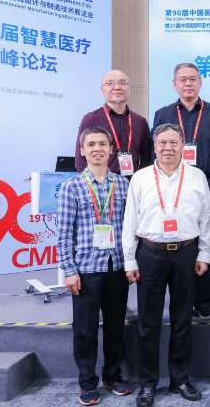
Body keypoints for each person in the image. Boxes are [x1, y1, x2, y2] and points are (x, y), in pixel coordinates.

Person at [122, 124, 210, 407]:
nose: (168, 148)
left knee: (182, 319)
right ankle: (148, 384)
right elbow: (129, 221)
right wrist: (130, 259)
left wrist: (204, 254)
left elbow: (206, 219)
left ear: (183, 145)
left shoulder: (197, 176)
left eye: (174, 142)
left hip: (186, 253)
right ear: (154, 146)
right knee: (148, 322)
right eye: (162, 143)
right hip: (149, 253)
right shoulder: (140, 177)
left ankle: (180, 379)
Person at [152, 62, 210, 322]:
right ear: (174, 84)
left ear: (200, 83)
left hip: (204, 184)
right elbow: (156, 151)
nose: (188, 84)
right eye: (183, 79)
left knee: (202, 242)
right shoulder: (163, 113)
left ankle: (203, 302)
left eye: (193, 79)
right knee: (177, 241)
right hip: (170, 183)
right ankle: (179, 302)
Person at [58, 127, 131, 406]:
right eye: (91, 144)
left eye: (102, 143)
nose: (97, 148)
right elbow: (64, 233)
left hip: (117, 267)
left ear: (111, 149)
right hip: (86, 269)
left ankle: (113, 374)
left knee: (115, 326)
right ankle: (87, 382)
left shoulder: (123, 184)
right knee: (85, 330)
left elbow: (130, 228)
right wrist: (69, 270)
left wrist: (131, 263)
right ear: (82, 151)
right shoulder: (72, 186)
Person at [74, 70, 150, 324]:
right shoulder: (91, 118)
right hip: (100, 192)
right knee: (99, 246)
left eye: (122, 83)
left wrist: (139, 186)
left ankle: (120, 303)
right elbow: (80, 159)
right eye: (110, 83)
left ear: (129, 89)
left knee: (125, 246)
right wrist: (94, 187)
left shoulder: (140, 121)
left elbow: (147, 158)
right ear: (102, 89)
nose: (116, 87)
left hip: (132, 192)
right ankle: (95, 304)